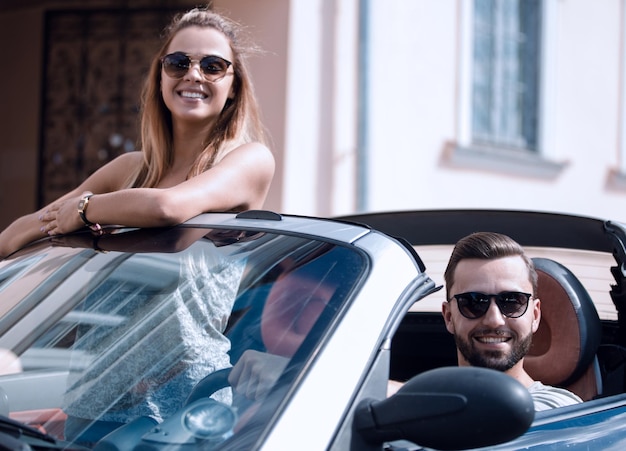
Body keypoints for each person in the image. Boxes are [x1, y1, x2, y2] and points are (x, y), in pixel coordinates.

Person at [0, 6, 274, 259]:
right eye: (178, 63)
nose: (193, 74)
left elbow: (167, 208)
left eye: (213, 66)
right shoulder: (128, 169)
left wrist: (84, 210)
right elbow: (15, 235)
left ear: (234, 86)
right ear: (160, 76)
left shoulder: (250, 160)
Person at [389, 231, 582, 411]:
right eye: (473, 302)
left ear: (535, 316)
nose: (494, 320)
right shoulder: (424, 406)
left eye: (512, 302)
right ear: (448, 317)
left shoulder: (562, 408)